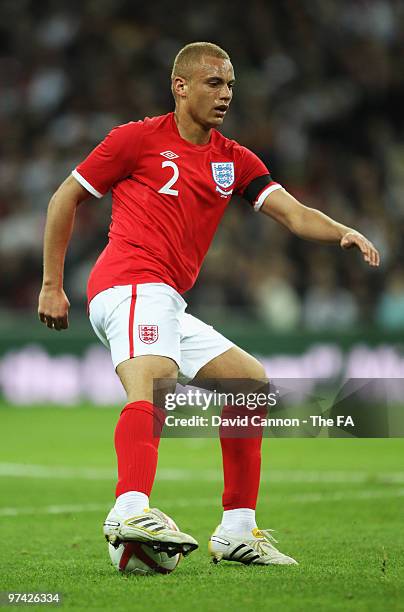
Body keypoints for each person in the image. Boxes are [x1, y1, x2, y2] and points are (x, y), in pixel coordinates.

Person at [38, 42, 380, 567]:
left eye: (231, 86)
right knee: (154, 381)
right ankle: (129, 508)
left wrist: (342, 231)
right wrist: (50, 284)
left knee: (248, 383)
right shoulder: (135, 140)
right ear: (180, 86)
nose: (226, 95)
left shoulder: (234, 159)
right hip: (129, 282)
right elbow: (66, 196)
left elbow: (292, 213)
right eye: (213, 83)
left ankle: (237, 532)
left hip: (167, 300)